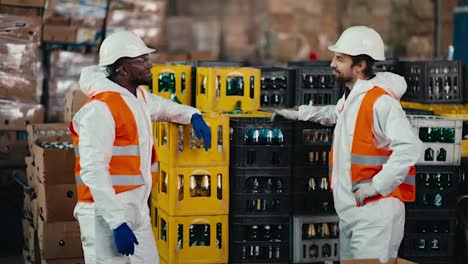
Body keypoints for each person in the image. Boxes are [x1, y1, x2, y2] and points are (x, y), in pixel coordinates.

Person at [274, 26, 422, 262]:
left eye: (340, 59)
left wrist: (376, 186)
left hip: (375, 213)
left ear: (360, 65)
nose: (332, 63)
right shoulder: (354, 97)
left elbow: (410, 148)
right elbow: (337, 114)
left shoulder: (382, 102)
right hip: (351, 211)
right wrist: (300, 113)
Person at [69, 30, 211, 263]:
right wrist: (116, 222)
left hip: (136, 208)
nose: (150, 65)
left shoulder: (137, 97)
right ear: (123, 69)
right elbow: (93, 170)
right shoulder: (100, 109)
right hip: (104, 214)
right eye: (142, 60)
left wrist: (193, 115)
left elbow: (164, 108)